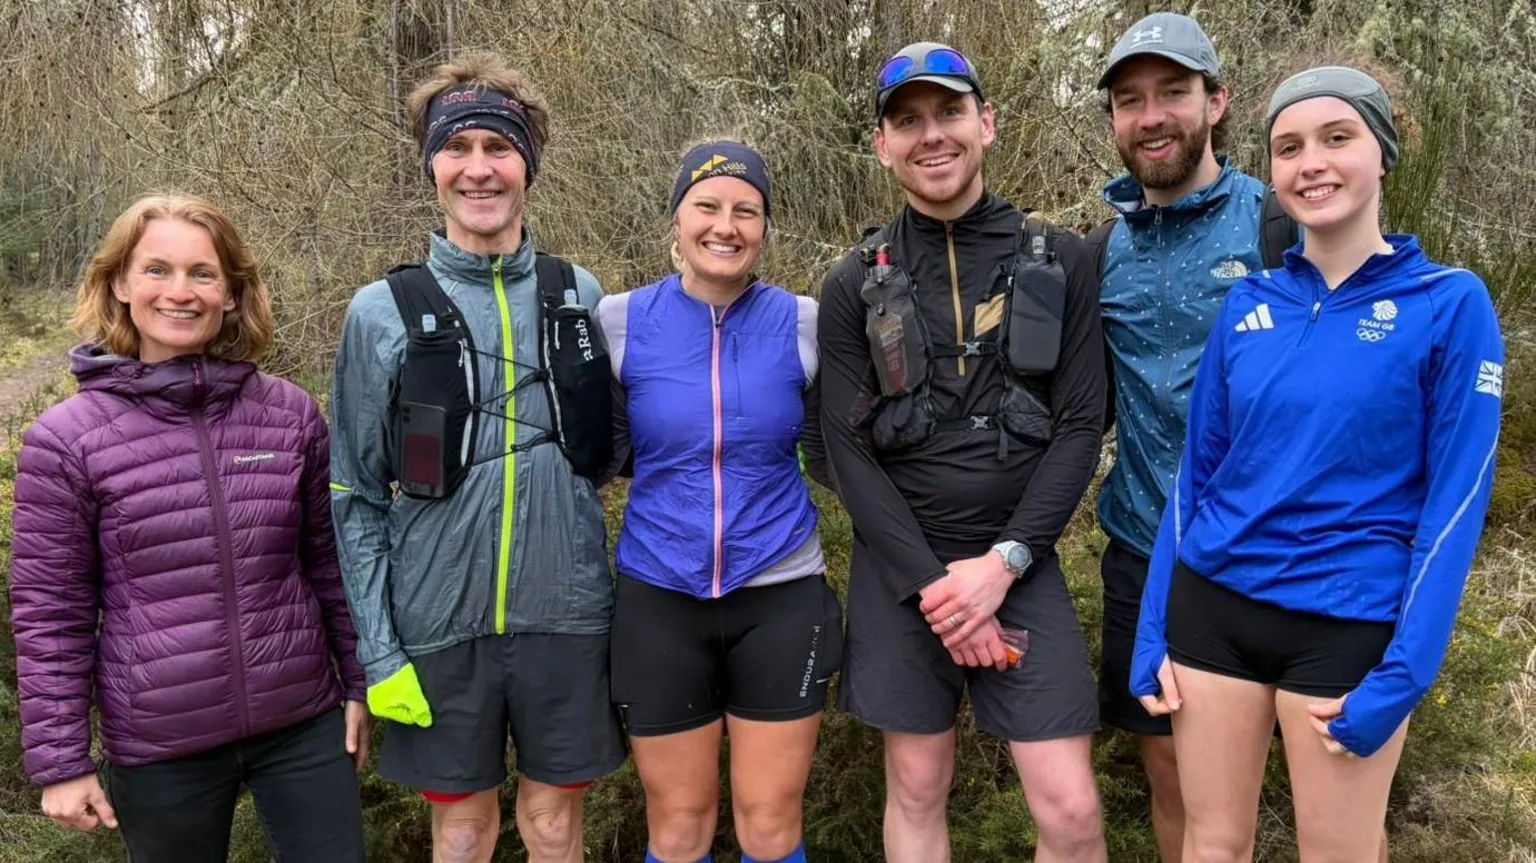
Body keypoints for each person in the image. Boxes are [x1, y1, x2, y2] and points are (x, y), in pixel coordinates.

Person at [1131, 66, 1505, 862]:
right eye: (1290, 147)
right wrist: (1152, 628)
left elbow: (1456, 504)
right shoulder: (1249, 302)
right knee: (1210, 844)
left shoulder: (1450, 303)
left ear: (1383, 153)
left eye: (1338, 138)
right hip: (1214, 611)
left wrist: (1406, 674)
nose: (1312, 163)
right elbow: (1195, 481)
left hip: (1346, 624)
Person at [10, 194, 370, 863]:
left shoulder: (289, 415)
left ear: (231, 293)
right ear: (120, 284)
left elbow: (331, 563)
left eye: (203, 273)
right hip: (159, 745)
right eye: (157, 270)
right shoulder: (67, 440)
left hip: (303, 726)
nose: (181, 292)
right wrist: (61, 761)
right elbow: (51, 611)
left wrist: (359, 683)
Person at [329, 53, 625, 863]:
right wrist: (378, 651)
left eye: (499, 147)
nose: (479, 168)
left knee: (554, 825)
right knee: (462, 833)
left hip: (568, 614)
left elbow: (616, 453)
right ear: (431, 166)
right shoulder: (379, 312)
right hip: (437, 620)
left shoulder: (581, 295)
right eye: (456, 148)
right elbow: (354, 493)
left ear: (529, 162)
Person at [819, 42, 1109, 863]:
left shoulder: (1062, 258)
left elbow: (1080, 424)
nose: (932, 135)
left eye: (949, 112)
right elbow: (845, 448)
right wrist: (936, 588)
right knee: (917, 785)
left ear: (987, 123)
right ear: (883, 145)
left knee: (1070, 807)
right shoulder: (851, 282)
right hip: (902, 573)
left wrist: (1003, 565)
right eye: (908, 121)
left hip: (1022, 560)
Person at [596, 139, 839, 863]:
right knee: (678, 828)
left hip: (781, 590)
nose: (725, 226)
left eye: (746, 211)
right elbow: (596, 454)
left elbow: (842, 452)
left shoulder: (806, 321)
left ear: (764, 227)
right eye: (707, 206)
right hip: (660, 593)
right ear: (677, 217)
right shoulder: (618, 319)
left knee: (769, 825)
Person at [1088, 14, 1288, 861]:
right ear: (1113, 120)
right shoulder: (1100, 250)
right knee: (1172, 780)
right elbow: (1082, 408)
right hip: (1145, 553)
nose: (1152, 116)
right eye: (1131, 100)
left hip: (1279, 556)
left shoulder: (1280, 225)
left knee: (1330, 791)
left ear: (1218, 100)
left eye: (1173, 91)